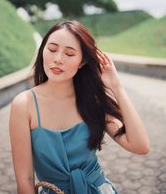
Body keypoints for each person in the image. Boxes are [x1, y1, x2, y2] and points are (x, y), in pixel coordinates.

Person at [9, 20, 150, 194]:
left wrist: (117, 87)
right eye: (52, 50)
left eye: (69, 54)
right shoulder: (23, 104)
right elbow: (25, 179)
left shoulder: (93, 101)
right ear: (42, 51)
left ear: (82, 61)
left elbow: (140, 145)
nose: (58, 59)